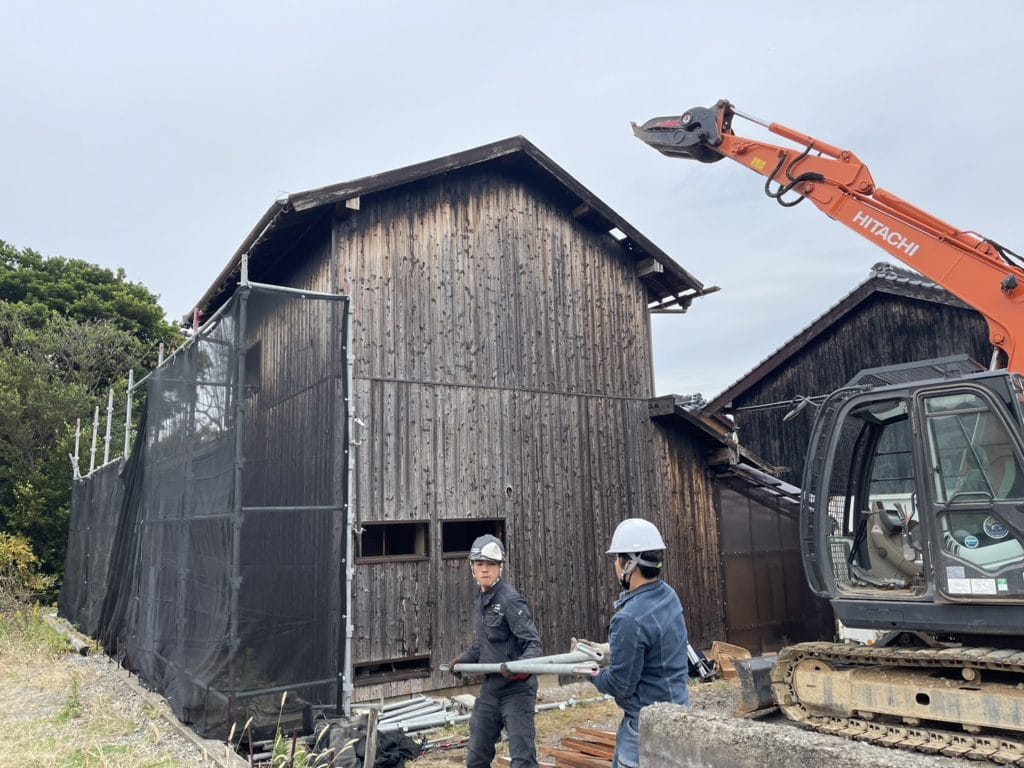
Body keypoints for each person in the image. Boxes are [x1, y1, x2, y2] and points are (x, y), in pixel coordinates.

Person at [590, 518, 689, 768]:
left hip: (644, 727)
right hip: (680, 714)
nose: (614, 564)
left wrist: (591, 672)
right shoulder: (668, 595)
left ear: (629, 564)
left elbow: (620, 685)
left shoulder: (629, 619)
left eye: (616, 558)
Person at [450, 534, 543, 768]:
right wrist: (464, 661)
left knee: (522, 760)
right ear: (472, 568)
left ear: (500, 567)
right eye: (479, 564)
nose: (484, 570)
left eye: (490, 564)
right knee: (476, 757)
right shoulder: (481, 599)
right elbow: (485, 645)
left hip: (517, 691)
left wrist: (519, 668)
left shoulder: (511, 601)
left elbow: (533, 645)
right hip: (491, 689)